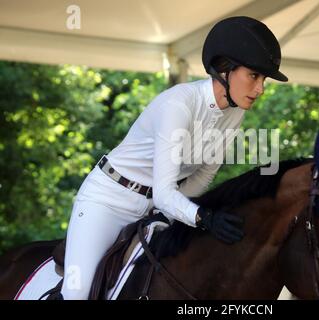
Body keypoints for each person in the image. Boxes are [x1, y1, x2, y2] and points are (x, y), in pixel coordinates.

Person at [60, 16, 288, 300]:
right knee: (78, 292)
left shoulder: (235, 112)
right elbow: (166, 192)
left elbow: (203, 175)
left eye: (263, 79)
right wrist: (202, 216)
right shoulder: (179, 104)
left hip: (156, 208)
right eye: (254, 76)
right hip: (108, 200)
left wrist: (178, 210)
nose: (260, 89)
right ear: (224, 69)